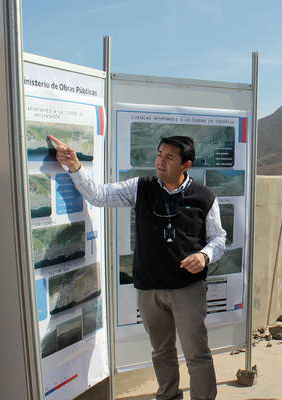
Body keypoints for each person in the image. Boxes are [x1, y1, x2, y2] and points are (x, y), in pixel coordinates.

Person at [49, 134, 226, 400]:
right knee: (161, 351)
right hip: (149, 290)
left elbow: (218, 238)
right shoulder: (141, 187)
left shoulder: (204, 196)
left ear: (186, 165)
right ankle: (168, 396)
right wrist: (75, 166)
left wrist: (204, 255)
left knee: (196, 353)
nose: (160, 161)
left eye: (169, 157)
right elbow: (99, 196)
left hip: (187, 289)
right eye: (159, 155)